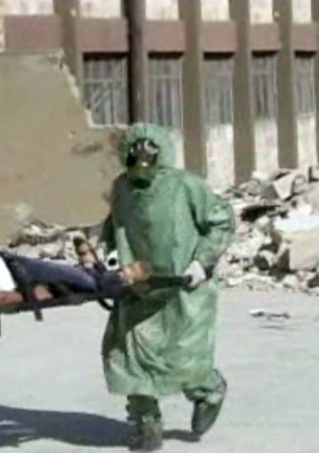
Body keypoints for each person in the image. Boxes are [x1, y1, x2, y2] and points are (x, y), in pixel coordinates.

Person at [100, 123, 235, 451]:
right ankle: (147, 424)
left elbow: (221, 221)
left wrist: (200, 262)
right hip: (139, 288)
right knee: (128, 354)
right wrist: (113, 263)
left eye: (149, 161)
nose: (142, 170)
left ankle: (209, 392)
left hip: (183, 290)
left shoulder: (186, 186)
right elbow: (113, 227)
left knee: (183, 360)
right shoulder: (122, 188)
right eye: (135, 163)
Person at [0, 246, 152, 314]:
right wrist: (34, 296)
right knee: (92, 285)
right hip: (17, 275)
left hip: (5, 260)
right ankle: (123, 276)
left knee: (82, 276)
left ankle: (95, 269)